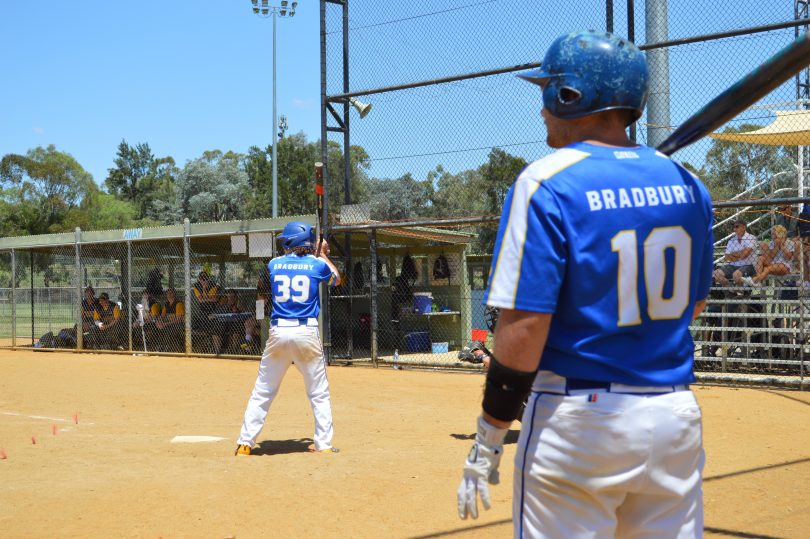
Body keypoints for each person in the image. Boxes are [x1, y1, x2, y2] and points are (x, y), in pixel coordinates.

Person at [456, 30, 714, 538]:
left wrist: (489, 433)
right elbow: (694, 303)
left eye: (547, 94)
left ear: (569, 96)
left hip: (578, 423)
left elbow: (524, 328)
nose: (542, 110)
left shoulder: (546, 181)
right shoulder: (688, 183)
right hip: (674, 418)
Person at [235, 221, 341, 456]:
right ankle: (323, 445)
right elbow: (336, 278)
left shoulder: (273, 264)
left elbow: (291, 261)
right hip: (306, 333)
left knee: (263, 390)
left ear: (290, 241)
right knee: (318, 392)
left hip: (279, 333)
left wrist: (314, 251)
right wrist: (323, 254)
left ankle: (245, 443)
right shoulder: (316, 265)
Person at [713, 221, 758, 287]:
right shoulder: (731, 240)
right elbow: (727, 257)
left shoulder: (751, 238)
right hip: (733, 266)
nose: (734, 229)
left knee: (736, 275)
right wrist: (740, 254)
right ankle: (731, 289)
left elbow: (744, 255)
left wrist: (734, 255)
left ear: (744, 227)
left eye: (737, 226)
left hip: (749, 265)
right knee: (717, 274)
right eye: (733, 227)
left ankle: (743, 293)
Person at [192, 271, 221, 353]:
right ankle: (208, 345)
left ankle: (213, 347)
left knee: (213, 324)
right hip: (203, 311)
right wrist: (204, 289)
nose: (203, 280)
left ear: (208, 278)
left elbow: (215, 300)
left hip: (213, 310)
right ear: (199, 279)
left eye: (205, 278)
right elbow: (201, 301)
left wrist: (206, 298)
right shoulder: (196, 286)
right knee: (204, 324)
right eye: (201, 278)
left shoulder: (214, 285)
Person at [154, 287, 185, 352]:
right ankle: (159, 346)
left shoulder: (178, 304)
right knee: (157, 328)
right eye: (168, 293)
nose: (169, 295)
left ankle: (166, 348)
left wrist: (166, 324)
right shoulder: (167, 304)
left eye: (171, 293)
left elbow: (179, 320)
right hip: (168, 323)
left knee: (167, 329)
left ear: (174, 294)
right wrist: (158, 322)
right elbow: (162, 316)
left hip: (178, 324)